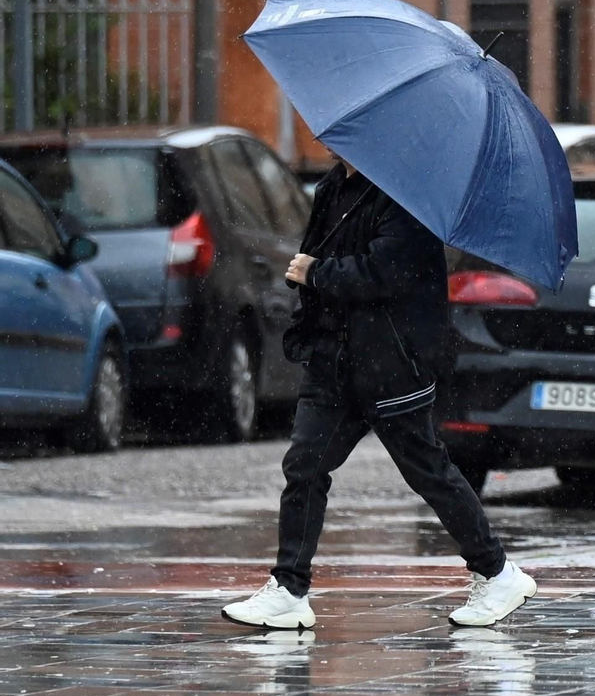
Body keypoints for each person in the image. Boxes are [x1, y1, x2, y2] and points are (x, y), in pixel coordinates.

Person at [222, 153, 536, 631]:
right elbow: (322, 255)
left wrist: (316, 274)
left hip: (392, 363)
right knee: (305, 465)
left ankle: (497, 573)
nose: (323, 135)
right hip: (335, 359)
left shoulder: (407, 194)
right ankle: (289, 589)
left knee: (428, 472)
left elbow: (386, 272)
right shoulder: (332, 187)